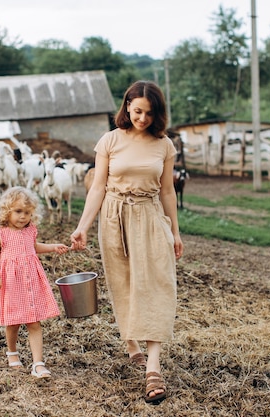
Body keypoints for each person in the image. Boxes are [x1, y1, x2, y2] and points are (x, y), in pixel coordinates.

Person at [70, 80, 184, 404]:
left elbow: (166, 191)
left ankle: (153, 367)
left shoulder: (164, 146)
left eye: (149, 113)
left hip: (149, 215)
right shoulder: (109, 140)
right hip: (113, 216)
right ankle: (130, 339)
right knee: (122, 283)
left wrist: (175, 232)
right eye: (137, 111)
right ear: (127, 106)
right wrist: (83, 227)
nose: (143, 118)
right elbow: (97, 187)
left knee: (156, 285)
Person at [0, 186, 69, 378]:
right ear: (7, 210)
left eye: (27, 213)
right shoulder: (1, 233)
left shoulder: (31, 230)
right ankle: (12, 353)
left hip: (30, 281)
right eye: (18, 212)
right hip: (11, 283)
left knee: (34, 322)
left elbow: (34, 247)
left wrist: (54, 247)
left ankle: (38, 364)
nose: (23, 217)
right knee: (13, 323)